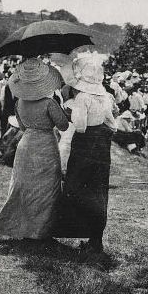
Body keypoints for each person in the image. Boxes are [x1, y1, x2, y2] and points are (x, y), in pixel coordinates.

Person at [0, 58, 68, 240]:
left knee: (24, 186)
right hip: (46, 144)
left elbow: (23, 127)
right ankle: (40, 230)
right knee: (46, 188)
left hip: (26, 144)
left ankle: (21, 227)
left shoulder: (20, 103)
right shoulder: (49, 103)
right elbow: (63, 126)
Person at [54, 54, 116, 253]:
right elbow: (110, 122)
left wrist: (66, 113)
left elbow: (80, 127)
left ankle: (75, 228)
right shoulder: (105, 96)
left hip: (85, 143)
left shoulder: (82, 97)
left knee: (77, 184)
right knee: (98, 188)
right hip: (102, 145)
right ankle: (95, 238)